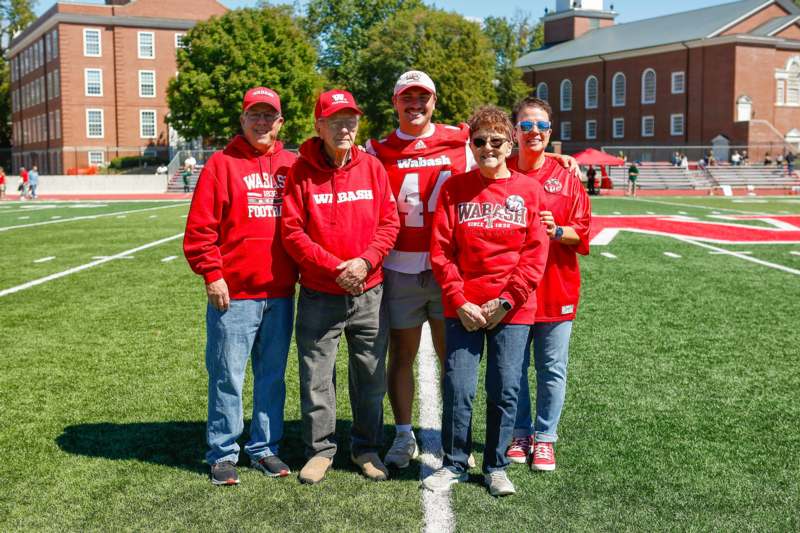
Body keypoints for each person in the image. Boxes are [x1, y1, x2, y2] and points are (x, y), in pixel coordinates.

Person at [366, 70, 579, 471]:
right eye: (406, 97)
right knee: (404, 356)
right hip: (403, 267)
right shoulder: (376, 148)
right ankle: (403, 433)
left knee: (456, 369)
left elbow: (503, 155)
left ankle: (464, 447)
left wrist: (553, 157)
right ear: (395, 102)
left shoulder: (459, 140)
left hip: (456, 274)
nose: (415, 104)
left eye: (422, 97)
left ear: (434, 101)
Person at [422, 105, 548, 497]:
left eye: (496, 141)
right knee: (459, 386)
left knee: (506, 386)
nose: (488, 148)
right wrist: (459, 300)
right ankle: (455, 463)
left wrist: (507, 301)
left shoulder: (529, 190)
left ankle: (495, 466)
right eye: (480, 141)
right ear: (471, 146)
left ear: (510, 144)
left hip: (512, 309)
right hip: (464, 308)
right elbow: (441, 251)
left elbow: (535, 253)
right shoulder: (455, 188)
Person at [281, 89, 400, 485]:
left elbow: (389, 223)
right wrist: (334, 267)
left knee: (370, 377)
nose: (345, 128)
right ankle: (320, 450)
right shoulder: (301, 171)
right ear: (319, 126)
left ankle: (366, 448)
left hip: (369, 291)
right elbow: (292, 232)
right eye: (335, 121)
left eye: (350, 120)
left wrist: (365, 262)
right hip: (320, 294)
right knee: (316, 377)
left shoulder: (373, 168)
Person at [183, 86, 298, 486]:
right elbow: (200, 229)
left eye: (269, 115)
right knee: (227, 376)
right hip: (235, 294)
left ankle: (264, 447)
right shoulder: (221, 164)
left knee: (271, 376)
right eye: (255, 115)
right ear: (243, 119)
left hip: (280, 293)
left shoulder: (290, 164)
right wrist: (212, 274)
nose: (262, 122)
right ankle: (222, 451)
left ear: (280, 122)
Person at [504, 97, 592, 471]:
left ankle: (546, 439)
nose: (534, 132)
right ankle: (520, 432)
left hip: (557, 287)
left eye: (540, 126)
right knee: (515, 367)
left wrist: (556, 231)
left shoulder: (566, 177)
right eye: (526, 126)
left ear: (550, 132)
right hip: (512, 289)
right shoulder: (500, 171)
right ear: (515, 131)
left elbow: (583, 231)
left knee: (552, 368)